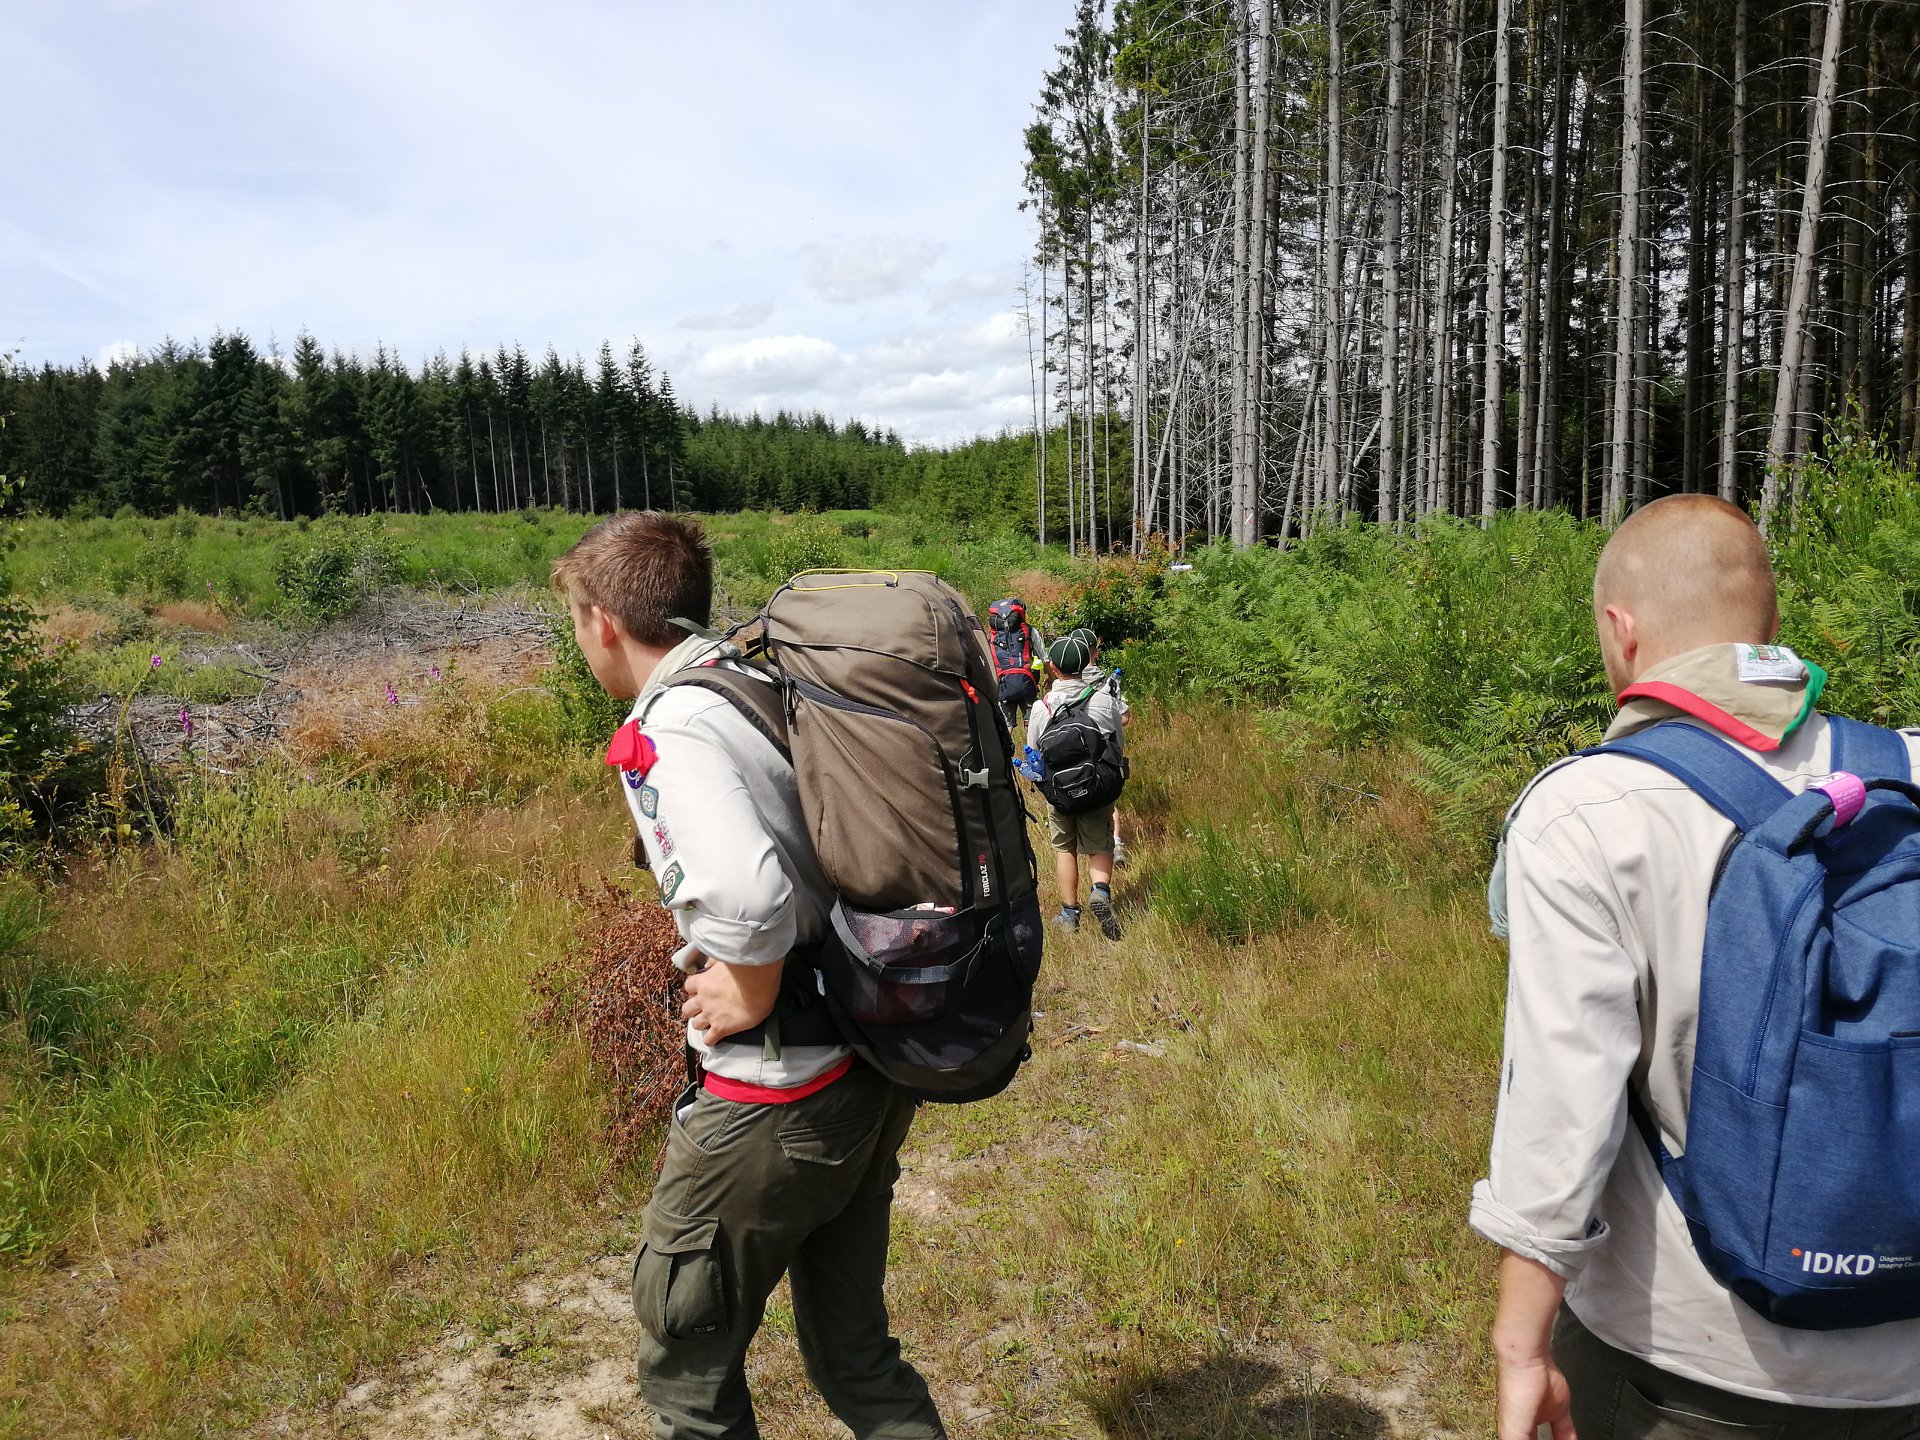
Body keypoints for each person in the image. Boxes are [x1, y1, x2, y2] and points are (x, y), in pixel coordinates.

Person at [1470, 494, 1920, 1439]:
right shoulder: (1906, 774)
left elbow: (1561, 1103)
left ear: (1620, 632)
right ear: (1772, 630)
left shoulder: (1589, 809)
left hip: (1687, 1361)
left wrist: (1521, 1346)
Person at [553, 511, 946, 1440]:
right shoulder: (752, 678)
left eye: (575, 619)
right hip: (866, 1062)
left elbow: (747, 898)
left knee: (685, 1364)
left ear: (603, 620)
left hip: (780, 1090)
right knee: (855, 1353)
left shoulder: (672, 723)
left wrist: (752, 988)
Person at [1027, 632, 1126, 940]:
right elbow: (1117, 745)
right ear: (1087, 663)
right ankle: (1100, 891)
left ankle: (1070, 913)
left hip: (1061, 794)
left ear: (1053, 667)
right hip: (1096, 788)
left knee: (1064, 848)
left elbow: (1033, 751)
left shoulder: (1042, 708)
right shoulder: (1102, 700)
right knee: (1100, 844)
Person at [1069, 626, 1129, 866]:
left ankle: (1079, 845)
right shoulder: (1108, 681)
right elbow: (1123, 717)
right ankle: (1115, 845)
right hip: (1105, 753)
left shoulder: (1066, 679)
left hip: (1073, 752)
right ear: (1095, 651)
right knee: (1108, 803)